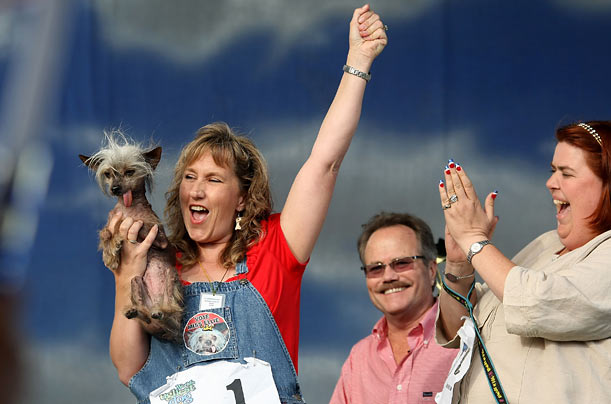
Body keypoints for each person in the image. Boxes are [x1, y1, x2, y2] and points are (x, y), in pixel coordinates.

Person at [105, 5, 387, 404]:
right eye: (189, 178)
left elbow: (324, 163)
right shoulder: (160, 262)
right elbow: (128, 367)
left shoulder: (275, 247)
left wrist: (357, 62)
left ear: (241, 199)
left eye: (214, 180)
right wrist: (126, 272)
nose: (196, 191)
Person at [436, 121, 611, 403]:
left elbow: (536, 301)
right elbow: (461, 327)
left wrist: (473, 240)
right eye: (553, 171)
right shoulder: (545, 244)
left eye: (567, 173)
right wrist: (459, 264)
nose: (551, 183)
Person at [329, 212, 457, 404]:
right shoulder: (359, 358)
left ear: (431, 271)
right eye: (376, 268)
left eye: (402, 263)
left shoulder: (463, 340)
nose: (388, 276)